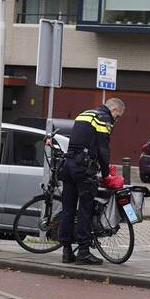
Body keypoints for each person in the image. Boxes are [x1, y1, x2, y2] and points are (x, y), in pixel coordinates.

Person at [58, 98, 126, 265]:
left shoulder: (84, 114)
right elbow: (103, 149)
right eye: (118, 116)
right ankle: (83, 252)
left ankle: (66, 251)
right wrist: (105, 174)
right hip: (84, 169)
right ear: (114, 109)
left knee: (68, 210)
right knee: (85, 210)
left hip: (68, 166)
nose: (116, 120)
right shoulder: (103, 118)